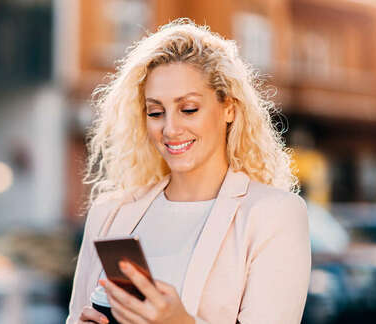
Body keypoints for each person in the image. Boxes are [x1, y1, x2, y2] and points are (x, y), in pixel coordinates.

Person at [66, 18, 310, 324]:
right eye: (155, 112)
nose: (170, 128)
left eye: (189, 109)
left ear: (229, 109)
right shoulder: (110, 214)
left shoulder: (273, 214)